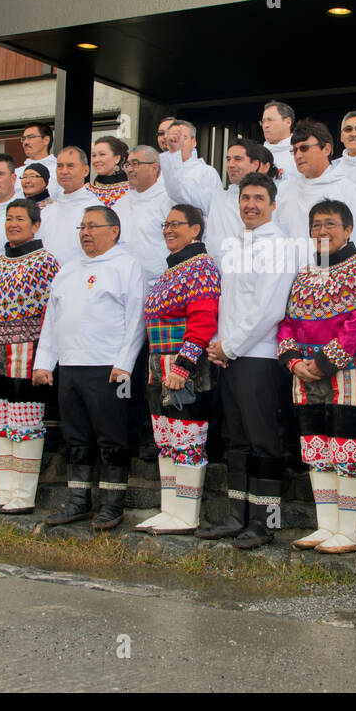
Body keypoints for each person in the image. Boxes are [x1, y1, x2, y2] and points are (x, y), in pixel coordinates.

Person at [277, 200, 356, 554]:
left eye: (330, 224)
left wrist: (322, 363)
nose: (322, 231)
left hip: (347, 371)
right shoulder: (306, 274)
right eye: (316, 225)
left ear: (349, 229)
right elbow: (287, 323)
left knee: (348, 448)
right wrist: (294, 362)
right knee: (317, 450)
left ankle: (349, 531)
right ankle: (326, 526)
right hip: (304, 376)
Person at [201, 174, 299, 548]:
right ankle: (236, 516)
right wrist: (218, 345)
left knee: (263, 441)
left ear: (273, 205)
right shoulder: (239, 244)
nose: (251, 204)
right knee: (237, 440)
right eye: (245, 198)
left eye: (259, 198)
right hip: (230, 354)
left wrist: (232, 345)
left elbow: (269, 310)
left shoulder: (278, 245)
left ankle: (265, 521)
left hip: (256, 355)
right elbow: (230, 303)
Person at [35, 206, 147, 529]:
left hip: (109, 368)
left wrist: (124, 363)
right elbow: (52, 320)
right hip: (71, 366)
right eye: (82, 227)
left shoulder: (126, 266)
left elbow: (136, 318)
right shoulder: (68, 270)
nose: (85, 232)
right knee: (76, 436)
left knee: (112, 436)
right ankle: (78, 501)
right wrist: (45, 362)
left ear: (114, 230)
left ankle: (112, 504)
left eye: (93, 226)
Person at [0, 199, 60, 515]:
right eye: (9, 218)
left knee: (24, 422)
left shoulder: (47, 262)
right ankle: (2, 489)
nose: (13, 223)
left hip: (28, 350)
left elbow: (52, 315)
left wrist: (46, 360)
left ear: (36, 225)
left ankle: (23, 493)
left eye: (20, 218)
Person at [135, 203, 222, 534]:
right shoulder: (171, 269)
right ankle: (169, 509)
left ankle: (186, 514)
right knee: (166, 437)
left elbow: (202, 321)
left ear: (196, 229)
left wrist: (183, 365)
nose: (168, 229)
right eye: (166, 224)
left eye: (176, 224)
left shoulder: (201, 267)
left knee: (187, 437)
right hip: (158, 366)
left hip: (185, 366)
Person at [275, 119, 356, 255]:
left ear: (326, 149)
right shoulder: (285, 190)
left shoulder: (347, 190)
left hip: (335, 272)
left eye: (304, 148)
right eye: (295, 150)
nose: (298, 155)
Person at [118, 145, 174, 286]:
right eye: (128, 165)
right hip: (123, 283)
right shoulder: (119, 203)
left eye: (135, 164)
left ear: (154, 168)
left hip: (158, 285)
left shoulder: (168, 201)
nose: (130, 169)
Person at [37, 146, 100, 266]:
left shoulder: (96, 210)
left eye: (70, 166)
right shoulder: (46, 212)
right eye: (60, 166)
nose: (64, 171)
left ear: (86, 171)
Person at [14, 121, 58, 196]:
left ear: (46, 140)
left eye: (31, 137)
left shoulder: (59, 170)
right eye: (23, 138)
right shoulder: (16, 173)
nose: (25, 142)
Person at [89, 135, 131, 207]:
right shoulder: (87, 190)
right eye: (94, 155)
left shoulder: (130, 191)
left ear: (117, 158)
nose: (96, 160)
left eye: (102, 154)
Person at [260, 100, 297, 179]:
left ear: (288, 122)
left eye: (270, 120)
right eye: (263, 121)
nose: (265, 125)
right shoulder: (256, 155)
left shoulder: (302, 151)